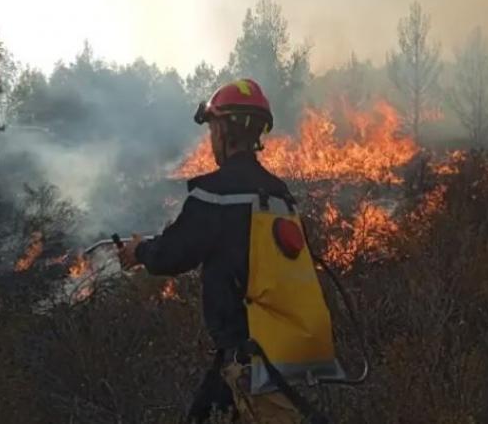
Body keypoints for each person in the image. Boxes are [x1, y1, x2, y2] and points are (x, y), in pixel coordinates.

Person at [119, 79, 337, 424]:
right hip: (288, 351)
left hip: (250, 360)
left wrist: (139, 251)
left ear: (222, 130)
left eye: (212, 129)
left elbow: (173, 254)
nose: (210, 140)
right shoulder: (280, 195)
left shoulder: (215, 194)